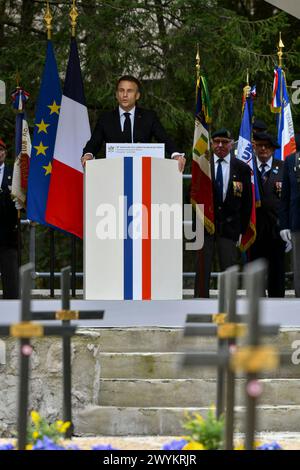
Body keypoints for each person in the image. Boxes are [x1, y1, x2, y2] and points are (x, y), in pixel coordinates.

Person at [81, 75, 185, 172]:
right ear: (116, 95)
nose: (125, 95)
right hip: (114, 172)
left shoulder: (149, 117)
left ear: (137, 95)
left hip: (143, 173)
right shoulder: (106, 118)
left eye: (129, 91)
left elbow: (165, 139)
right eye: (121, 91)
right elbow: (94, 142)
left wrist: (176, 155)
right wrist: (88, 155)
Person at [194, 128, 252, 297]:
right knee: (202, 269)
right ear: (211, 143)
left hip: (230, 227)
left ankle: (229, 308)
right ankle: (200, 304)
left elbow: (247, 201)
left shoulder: (241, 168)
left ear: (232, 144)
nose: (220, 145)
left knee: (229, 268)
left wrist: (242, 230)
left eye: (224, 142)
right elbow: (193, 196)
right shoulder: (202, 165)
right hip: (205, 226)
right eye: (216, 141)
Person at [249, 132, 285, 297]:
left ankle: (277, 308)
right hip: (254, 228)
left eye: (267, 146)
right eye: (260, 145)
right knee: (254, 274)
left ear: (273, 149)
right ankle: (256, 312)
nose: (263, 149)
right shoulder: (247, 168)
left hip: (276, 230)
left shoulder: (283, 167)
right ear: (254, 147)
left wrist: (288, 226)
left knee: (276, 272)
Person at [279, 133, 300, 297]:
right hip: (296, 222)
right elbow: (285, 197)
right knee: (298, 265)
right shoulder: (290, 161)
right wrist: (284, 224)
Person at [0, 138, 19, 299]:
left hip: (8, 234)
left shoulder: (13, 173)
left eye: (1, 150)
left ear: (5, 153)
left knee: (11, 277)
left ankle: (12, 312)